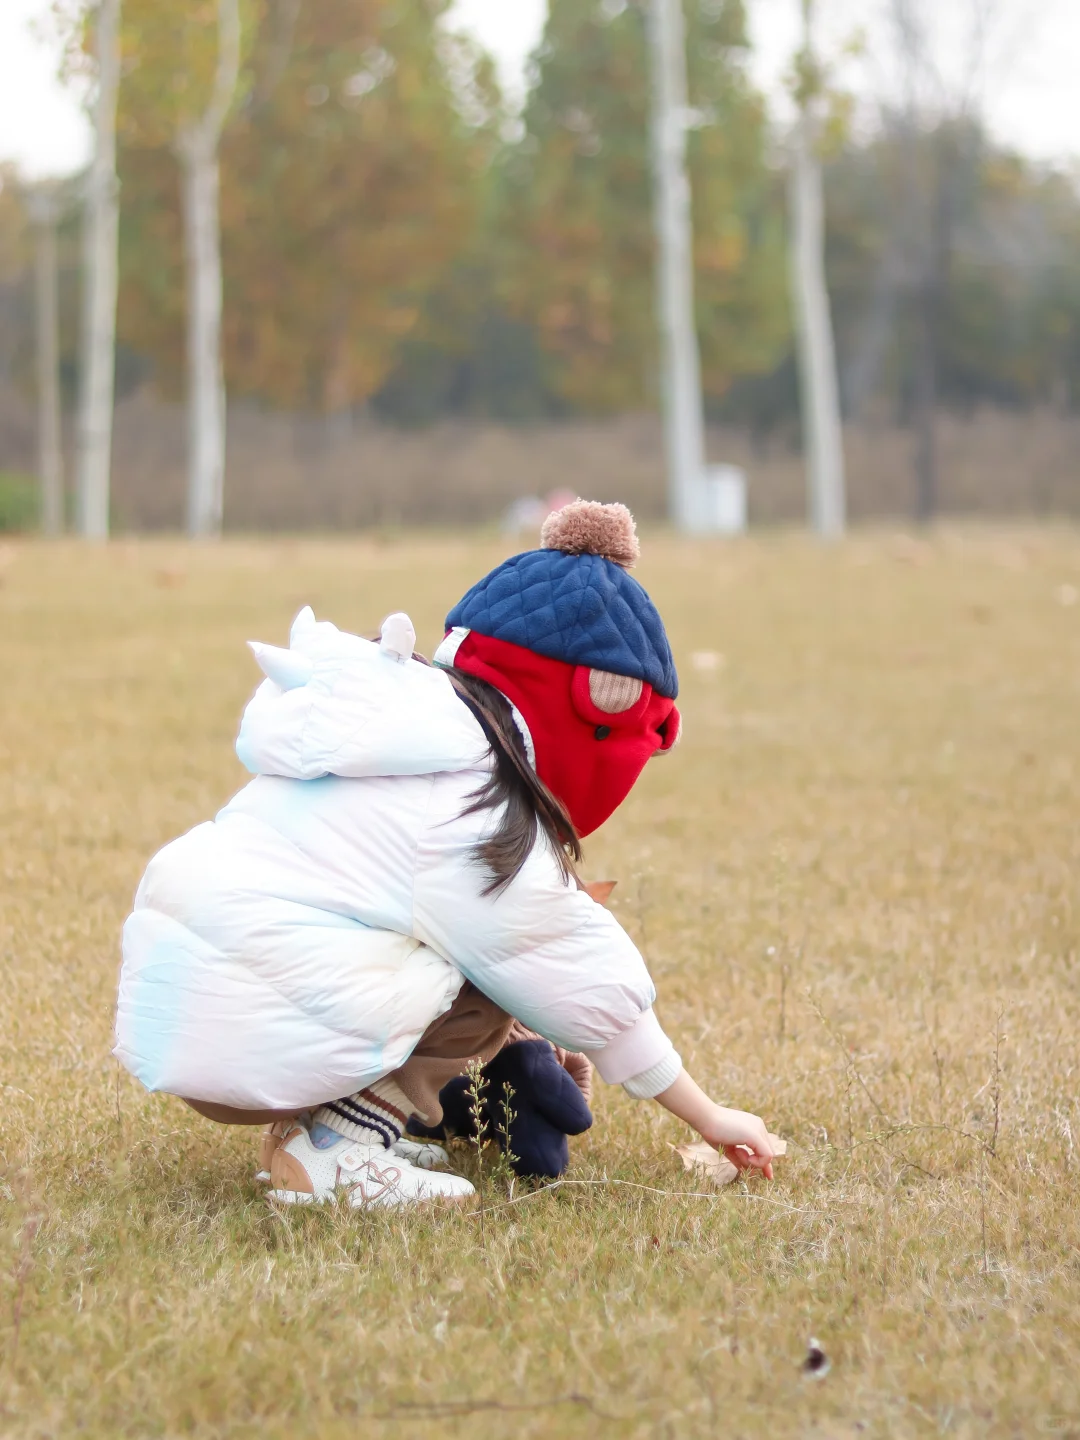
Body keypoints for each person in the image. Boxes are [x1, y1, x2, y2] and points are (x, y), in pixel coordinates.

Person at [114, 500, 775, 1207]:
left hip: (195, 1007)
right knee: (485, 985)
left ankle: (308, 1129)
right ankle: (339, 1148)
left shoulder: (406, 725)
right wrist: (708, 1115)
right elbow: (572, 966)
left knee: (447, 952)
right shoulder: (471, 799)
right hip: (249, 1027)